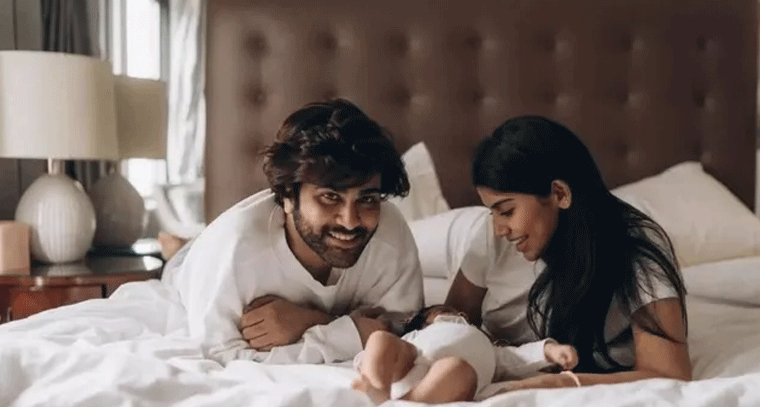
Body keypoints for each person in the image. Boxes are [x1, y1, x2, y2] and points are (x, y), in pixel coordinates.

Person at [164, 99, 424, 365]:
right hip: (188, 267)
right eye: (330, 197)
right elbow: (221, 358)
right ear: (289, 197)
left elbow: (403, 327)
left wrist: (311, 320)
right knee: (180, 262)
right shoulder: (235, 249)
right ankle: (180, 247)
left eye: (366, 199)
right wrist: (349, 335)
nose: (350, 221)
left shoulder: (390, 230)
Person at [444, 115, 691, 390]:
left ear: (560, 194)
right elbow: (450, 328)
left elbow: (669, 372)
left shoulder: (635, 249)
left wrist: (553, 384)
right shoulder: (491, 238)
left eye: (507, 211)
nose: (499, 229)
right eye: (492, 213)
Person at [351, 305, 578, 404]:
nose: (455, 313)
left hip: (439, 383)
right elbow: (385, 351)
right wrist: (369, 361)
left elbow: (519, 357)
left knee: (457, 368)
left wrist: (550, 351)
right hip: (410, 365)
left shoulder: (491, 349)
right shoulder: (420, 334)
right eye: (438, 310)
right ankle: (376, 388)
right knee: (380, 338)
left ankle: (406, 404)